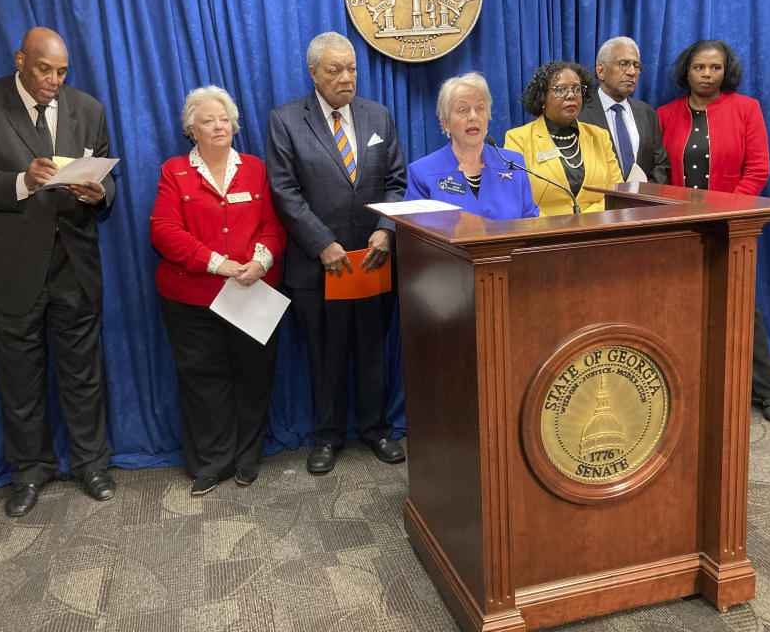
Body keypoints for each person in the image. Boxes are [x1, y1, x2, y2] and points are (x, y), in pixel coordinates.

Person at [0, 27, 117, 516]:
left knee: (84, 375)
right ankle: (30, 469)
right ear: (21, 60)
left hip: (74, 268)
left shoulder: (89, 109)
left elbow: (109, 183)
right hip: (9, 271)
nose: (53, 81)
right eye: (44, 69)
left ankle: (91, 463)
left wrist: (99, 194)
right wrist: (21, 181)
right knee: (19, 379)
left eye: (62, 72)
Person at [265, 31, 407, 474]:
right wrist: (322, 243)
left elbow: (396, 182)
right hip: (317, 266)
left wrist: (386, 230)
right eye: (334, 70)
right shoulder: (286, 120)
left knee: (371, 349)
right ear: (313, 74)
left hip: (373, 261)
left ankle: (376, 429)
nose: (346, 78)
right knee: (325, 355)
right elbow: (284, 191)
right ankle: (326, 437)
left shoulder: (378, 116)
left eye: (351, 69)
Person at [150, 86, 286, 493]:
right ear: (191, 129)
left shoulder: (256, 168)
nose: (218, 126)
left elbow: (274, 227)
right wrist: (214, 262)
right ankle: (212, 461)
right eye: (207, 119)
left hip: (252, 294)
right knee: (204, 381)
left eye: (224, 118)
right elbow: (163, 230)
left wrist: (261, 260)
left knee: (253, 377)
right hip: (192, 298)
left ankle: (247, 456)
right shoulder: (174, 172)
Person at [657, 39, 770, 422]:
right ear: (687, 71)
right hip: (678, 228)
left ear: (725, 72)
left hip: (730, 226)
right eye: (700, 67)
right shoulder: (665, 114)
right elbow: (659, 173)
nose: (707, 74)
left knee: (744, 308)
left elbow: (757, 169)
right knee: (681, 306)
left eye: (715, 68)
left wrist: (725, 213)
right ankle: (691, 390)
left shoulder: (747, 109)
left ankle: (768, 391)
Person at [405, 72, 540, 220]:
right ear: (445, 123)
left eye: (480, 108)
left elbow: (530, 222)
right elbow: (415, 234)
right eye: (463, 110)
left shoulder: (513, 164)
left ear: (488, 116)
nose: (473, 116)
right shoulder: (422, 172)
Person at [504, 61, 623, 216]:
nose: (571, 95)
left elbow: (617, 193)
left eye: (576, 89)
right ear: (542, 97)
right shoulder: (518, 140)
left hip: (596, 230)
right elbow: (516, 199)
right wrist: (558, 228)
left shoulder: (600, 136)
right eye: (561, 89)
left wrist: (585, 221)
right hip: (545, 234)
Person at [577, 36, 670, 183]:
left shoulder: (647, 113)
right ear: (601, 71)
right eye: (624, 64)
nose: (632, 72)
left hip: (643, 202)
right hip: (598, 203)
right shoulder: (579, 113)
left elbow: (660, 165)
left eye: (636, 65)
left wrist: (644, 197)